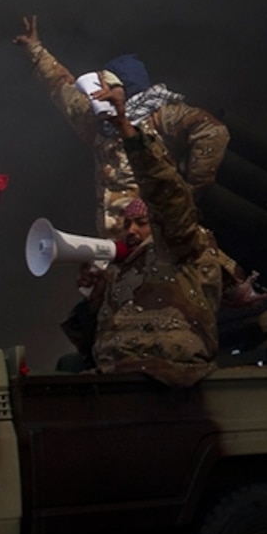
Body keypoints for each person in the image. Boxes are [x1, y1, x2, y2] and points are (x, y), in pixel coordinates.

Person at [14, 18, 229, 235]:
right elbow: (61, 85)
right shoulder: (98, 121)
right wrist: (35, 50)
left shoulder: (161, 116)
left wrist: (189, 193)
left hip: (156, 234)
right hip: (115, 237)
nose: (100, 91)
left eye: (109, 86)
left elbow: (212, 131)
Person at [87, 122, 239, 386]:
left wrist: (128, 132)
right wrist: (94, 296)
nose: (131, 231)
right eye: (126, 225)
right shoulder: (120, 271)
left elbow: (166, 195)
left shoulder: (180, 248)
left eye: (141, 223)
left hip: (171, 379)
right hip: (120, 380)